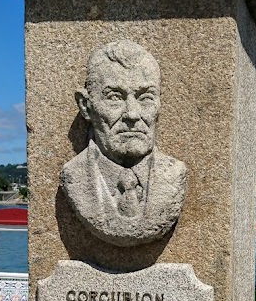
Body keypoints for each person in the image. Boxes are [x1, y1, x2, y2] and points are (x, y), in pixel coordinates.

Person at [60, 40, 186, 247]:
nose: (132, 114)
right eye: (115, 97)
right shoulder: (74, 176)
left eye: (145, 98)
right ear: (86, 106)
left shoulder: (174, 174)